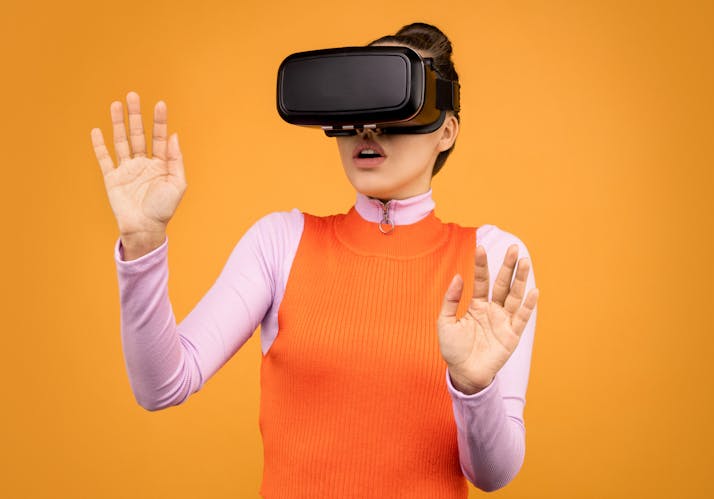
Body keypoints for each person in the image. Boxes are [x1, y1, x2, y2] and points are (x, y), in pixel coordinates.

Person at [91, 22, 539, 499]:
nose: (368, 129)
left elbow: (494, 475)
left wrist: (474, 387)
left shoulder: (489, 260)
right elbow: (161, 385)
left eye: (392, 105)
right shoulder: (280, 242)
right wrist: (143, 245)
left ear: (445, 131)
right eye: (357, 105)